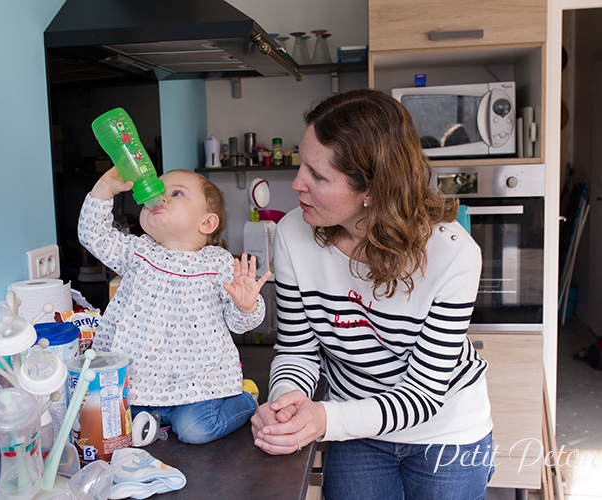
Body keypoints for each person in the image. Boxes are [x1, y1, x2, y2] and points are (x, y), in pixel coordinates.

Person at [250, 88, 493, 500]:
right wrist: (287, 404)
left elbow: (423, 396)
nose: (296, 184)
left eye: (318, 176)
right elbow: (297, 350)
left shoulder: (453, 255)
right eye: (301, 165)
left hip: (447, 431)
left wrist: (322, 418)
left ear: (373, 190)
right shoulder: (293, 233)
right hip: (356, 429)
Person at [79, 167, 270, 444]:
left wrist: (247, 305)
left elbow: (240, 324)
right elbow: (92, 235)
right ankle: (157, 417)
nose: (159, 197)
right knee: (109, 426)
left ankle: (244, 398)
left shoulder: (219, 264)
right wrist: (104, 189)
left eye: (176, 193)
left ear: (207, 223)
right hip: (139, 385)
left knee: (195, 431)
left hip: (198, 385)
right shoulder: (137, 253)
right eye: (156, 192)